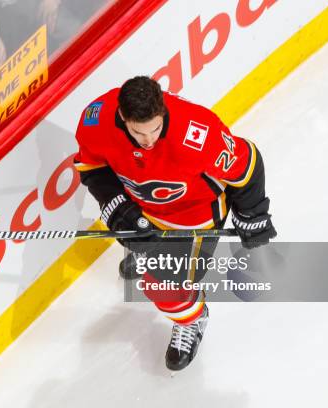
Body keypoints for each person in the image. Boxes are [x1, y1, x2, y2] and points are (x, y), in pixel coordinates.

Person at [73, 76, 276, 371]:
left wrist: (252, 217)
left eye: (155, 128)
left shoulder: (198, 133)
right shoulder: (96, 121)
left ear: (163, 111)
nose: (150, 140)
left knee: (164, 287)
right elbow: (92, 167)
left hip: (194, 215)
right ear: (121, 117)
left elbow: (248, 165)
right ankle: (148, 252)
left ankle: (192, 318)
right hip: (144, 209)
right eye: (139, 132)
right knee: (139, 242)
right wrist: (117, 208)